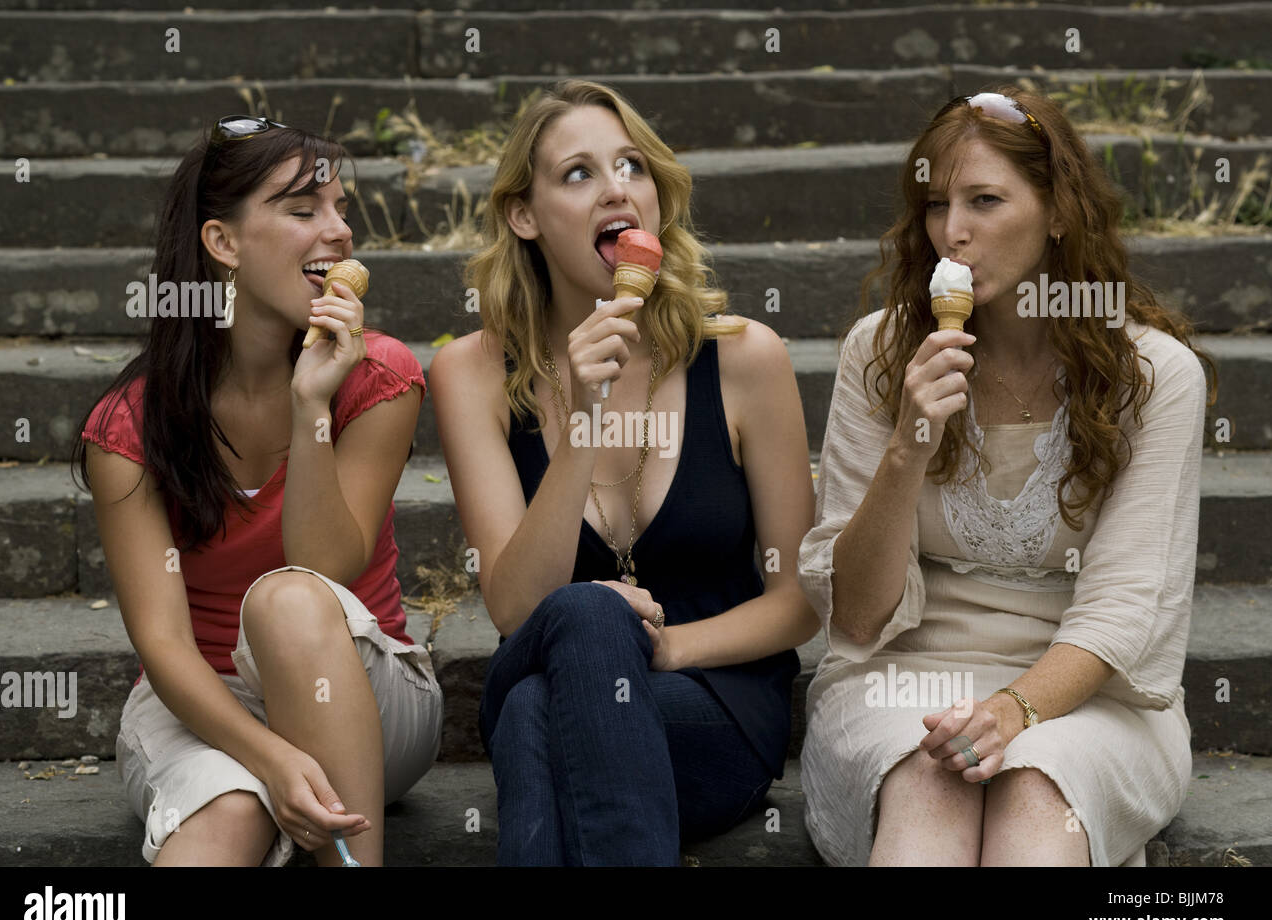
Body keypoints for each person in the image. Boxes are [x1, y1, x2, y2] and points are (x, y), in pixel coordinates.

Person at [798, 87, 1217, 867]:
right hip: (901, 679)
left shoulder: (1156, 377)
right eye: (935, 205)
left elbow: (1128, 605)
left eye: (985, 200)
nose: (951, 234)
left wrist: (1014, 709)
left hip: (1088, 693)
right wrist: (908, 447)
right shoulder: (880, 353)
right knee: (930, 787)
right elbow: (854, 616)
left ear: (1058, 210)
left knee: (1034, 804)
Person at [430, 79, 820, 865]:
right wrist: (582, 417)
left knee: (538, 709)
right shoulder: (469, 374)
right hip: (554, 667)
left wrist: (663, 649)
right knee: (583, 616)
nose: (617, 188)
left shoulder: (745, 357)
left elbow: (801, 602)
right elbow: (514, 604)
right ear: (524, 215)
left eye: (632, 167)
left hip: (714, 703)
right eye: (579, 174)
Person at [71, 117, 442, 866]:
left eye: (340, 209)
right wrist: (270, 760)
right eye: (303, 211)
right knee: (228, 816)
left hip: (367, 687)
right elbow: (166, 646)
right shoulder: (128, 427)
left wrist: (312, 408)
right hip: (206, 708)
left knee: (287, 597)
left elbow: (323, 566)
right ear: (223, 243)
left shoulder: (379, 377)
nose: (337, 232)